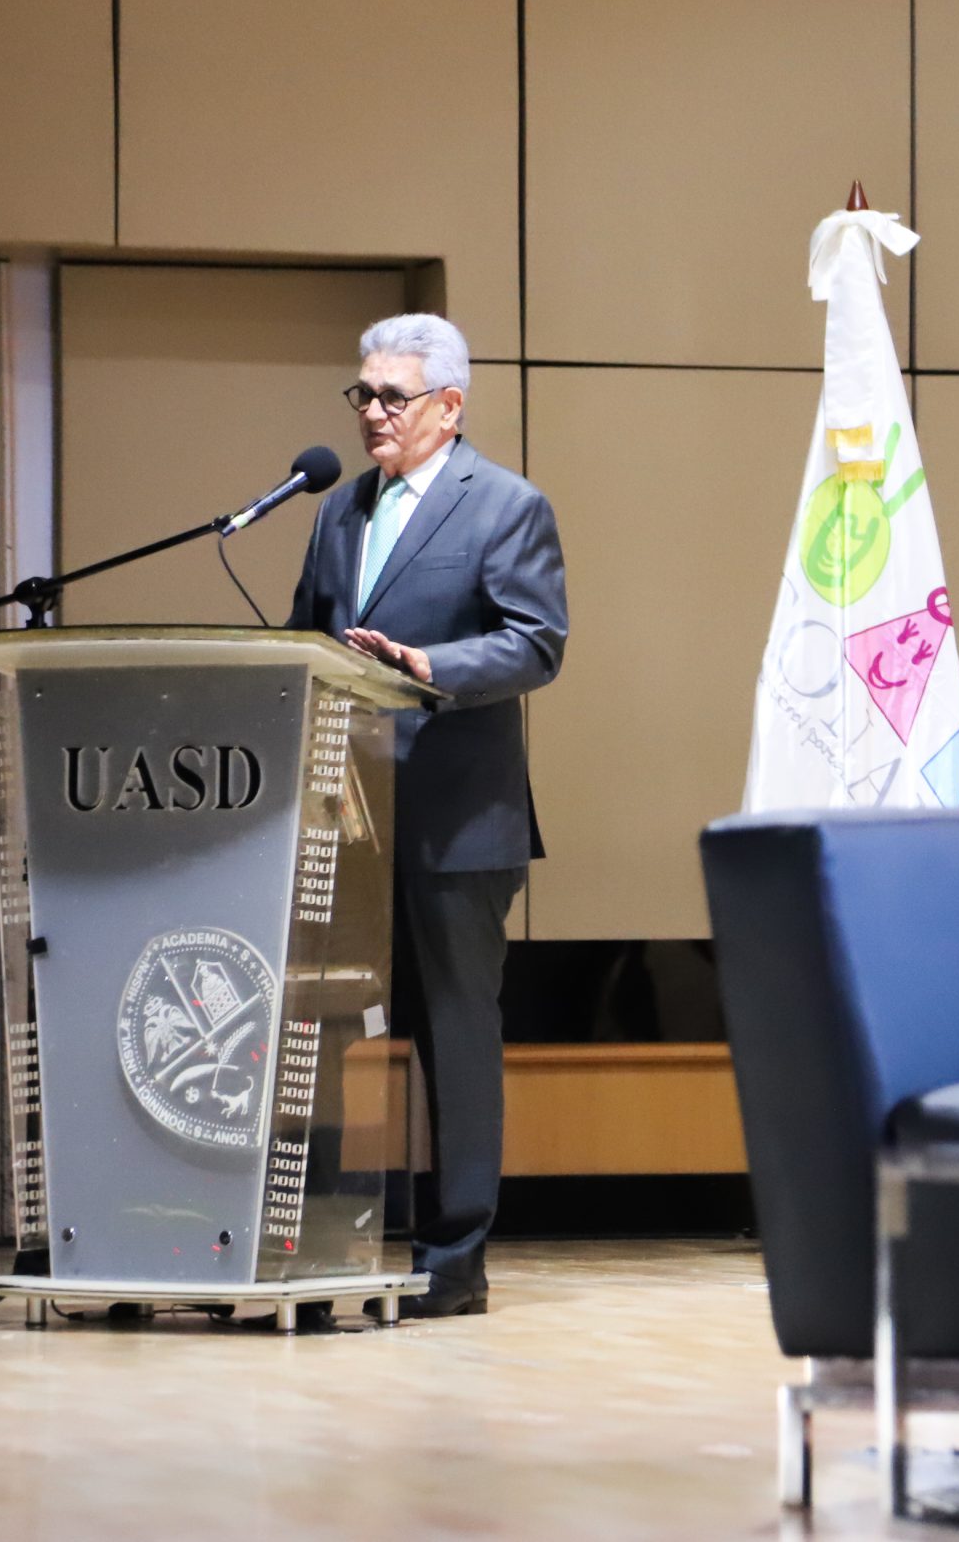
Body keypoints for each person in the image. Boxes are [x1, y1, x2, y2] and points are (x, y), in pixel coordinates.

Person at [289, 312, 568, 1320]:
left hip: (457, 821)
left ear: (448, 406)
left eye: (391, 396)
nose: (371, 412)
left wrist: (428, 665)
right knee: (318, 1030)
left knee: (453, 1036)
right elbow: (305, 637)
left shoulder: (506, 505)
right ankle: (314, 1246)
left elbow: (536, 641)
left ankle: (453, 1260)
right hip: (346, 815)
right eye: (361, 394)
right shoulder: (339, 511)